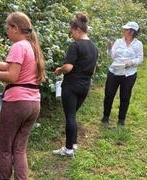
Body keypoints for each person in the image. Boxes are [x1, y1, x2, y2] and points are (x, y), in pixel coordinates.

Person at [0, 11, 45, 180]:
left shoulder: (17, 46)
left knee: (5, 149)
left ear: (15, 28)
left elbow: (13, 76)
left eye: (8, 28)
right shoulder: (31, 46)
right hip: (33, 103)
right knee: (20, 149)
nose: (7, 31)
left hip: (17, 103)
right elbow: (10, 66)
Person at [53, 13, 98, 157]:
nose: (71, 35)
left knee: (70, 117)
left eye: (72, 31)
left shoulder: (75, 45)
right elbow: (94, 68)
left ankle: (68, 149)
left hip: (71, 86)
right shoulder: (94, 47)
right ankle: (73, 143)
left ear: (78, 29)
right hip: (84, 87)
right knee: (72, 115)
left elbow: (68, 67)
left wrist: (59, 70)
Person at [101, 21, 143, 127]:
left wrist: (131, 62)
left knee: (125, 97)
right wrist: (109, 48)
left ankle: (121, 119)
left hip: (129, 74)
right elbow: (112, 56)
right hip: (114, 71)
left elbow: (140, 58)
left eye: (126, 29)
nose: (124, 31)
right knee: (109, 94)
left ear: (131, 32)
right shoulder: (118, 42)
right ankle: (106, 116)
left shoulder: (138, 44)